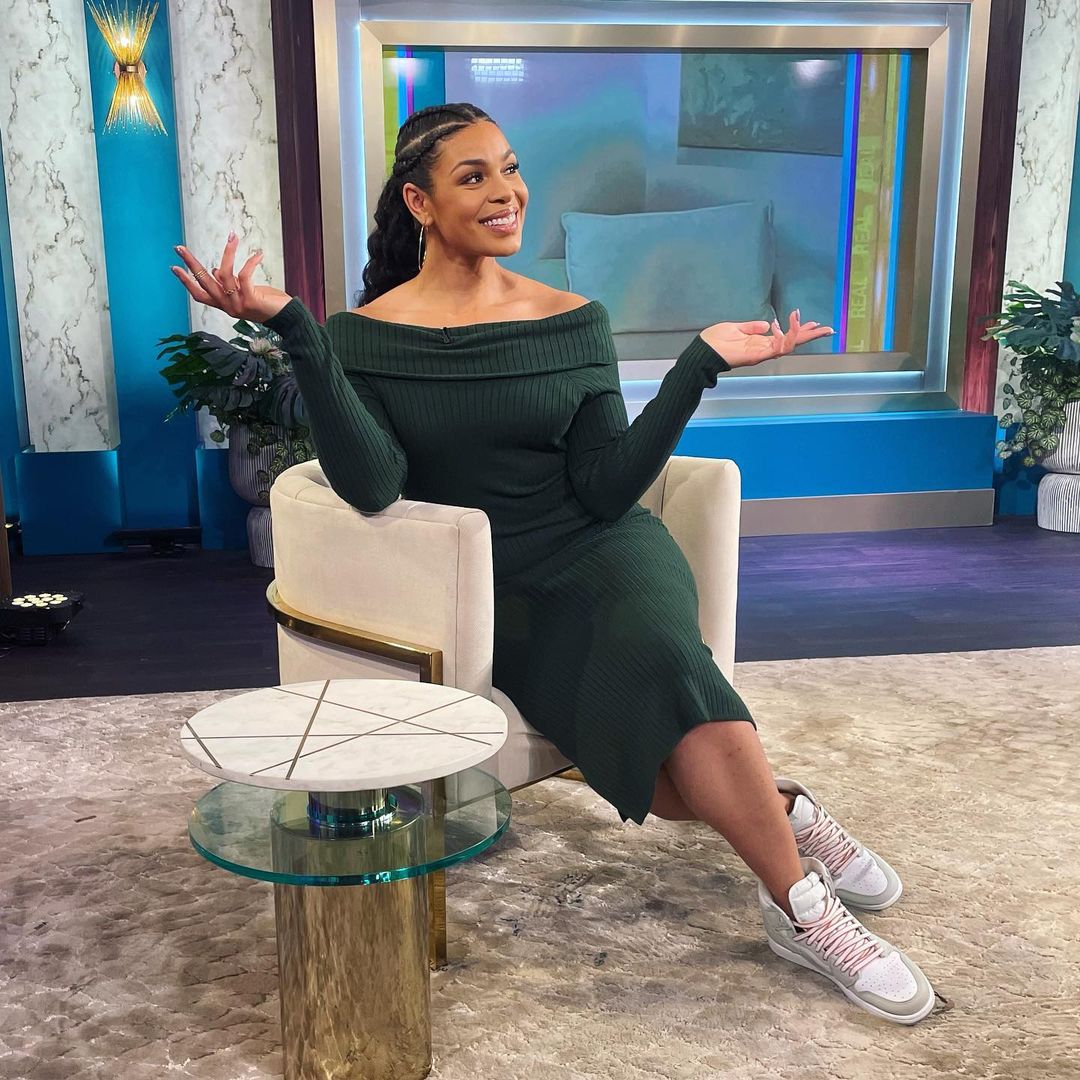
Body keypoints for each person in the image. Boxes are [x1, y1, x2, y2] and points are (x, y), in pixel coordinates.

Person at [171, 102, 936, 1024]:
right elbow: (374, 486)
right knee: (660, 762)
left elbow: (607, 489)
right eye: (474, 176)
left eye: (511, 168)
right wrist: (299, 330)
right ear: (419, 202)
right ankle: (787, 810)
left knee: (667, 664)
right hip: (488, 590)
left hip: (603, 550)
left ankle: (801, 910)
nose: (507, 192)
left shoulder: (574, 320)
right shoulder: (362, 335)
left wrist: (696, 365)